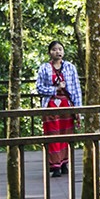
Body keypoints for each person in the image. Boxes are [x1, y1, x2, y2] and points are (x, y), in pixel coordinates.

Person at [34, 40, 81, 173]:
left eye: (60, 49)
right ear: (50, 52)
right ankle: (55, 166)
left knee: (66, 134)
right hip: (51, 105)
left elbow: (76, 90)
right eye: (54, 49)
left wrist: (78, 110)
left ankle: (64, 163)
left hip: (67, 105)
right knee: (53, 135)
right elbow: (39, 87)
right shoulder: (44, 68)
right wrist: (55, 89)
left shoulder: (70, 67)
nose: (57, 52)